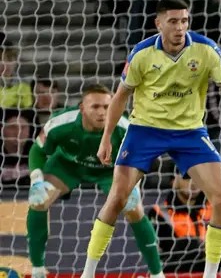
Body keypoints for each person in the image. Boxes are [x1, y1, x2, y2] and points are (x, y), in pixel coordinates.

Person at [81, 0, 221, 278]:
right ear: (158, 24)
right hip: (145, 129)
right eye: (173, 21)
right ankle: (88, 273)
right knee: (118, 197)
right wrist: (106, 137)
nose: (180, 27)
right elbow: (120, 96)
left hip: (189, 132)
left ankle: (210, 274)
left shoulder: (206, 49)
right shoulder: (141, 53)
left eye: (184, 21)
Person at [28, 85, 163, 278]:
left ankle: (157, 273)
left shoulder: (125, 128)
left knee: (135, 209)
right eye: (95, 107)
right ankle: (37, 269)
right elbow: (37, 150)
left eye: (107, 107)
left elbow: (140, 158)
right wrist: (36, 180)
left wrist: (134, 186)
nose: (102, 112)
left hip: (110, 171)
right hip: (68, 166)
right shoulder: (61, 122)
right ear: (82, 108)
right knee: (38, 202)